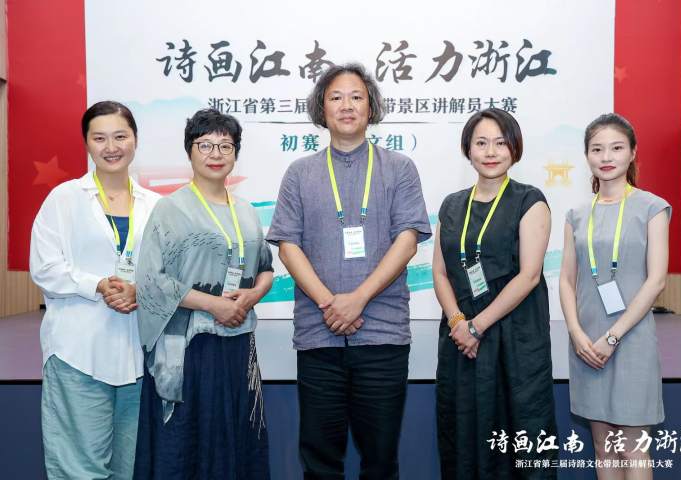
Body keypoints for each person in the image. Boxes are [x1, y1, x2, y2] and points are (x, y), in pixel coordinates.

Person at [266, 63, 431, 480]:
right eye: (336, 97)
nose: (346, 105)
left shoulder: (400, 168)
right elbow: (288, 246)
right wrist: (330, 303)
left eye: (356, 96)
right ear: (321, 108)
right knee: (320, 460)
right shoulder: (300, 173)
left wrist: (357, 299)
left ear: (370, 107)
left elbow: (407, 240)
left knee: (381, 460)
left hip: (382, 334)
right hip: (318, 335)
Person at [133, 109, 273, 479]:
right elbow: (151, 280)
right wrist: (212, 304)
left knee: (237, 440)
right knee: (186, 445)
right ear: (190, 151)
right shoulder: (170, 209)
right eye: (205, 145)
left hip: (237, 345)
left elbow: (266, 268)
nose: (216, 154)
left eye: (225, 146)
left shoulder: (246, 211)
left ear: (236, 153)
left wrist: (252, 296)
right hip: (189, 349)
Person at [29, 101, 161, 479]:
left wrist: (140, 290)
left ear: (135, 139)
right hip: (78, 353)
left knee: (131, 468)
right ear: (86, 143)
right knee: (79, 470)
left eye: (120, 136)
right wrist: (98, 284)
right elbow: (45, 268)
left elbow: (168, 271)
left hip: (138, 356)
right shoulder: (64, 199)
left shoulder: (156, 205)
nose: (111, 147)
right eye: (99, 138)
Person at [433, 108, 558, 479]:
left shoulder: (529, 200)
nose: (491, 152)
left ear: (514, 148)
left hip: (515, 338)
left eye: (501, 143)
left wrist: (477, 326)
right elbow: (440, 272)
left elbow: (529, 276)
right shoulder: (451, 205)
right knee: (463, 432)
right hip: (461, 340)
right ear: (468, 149)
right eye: (481, 143)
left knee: (522, 433)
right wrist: (459, 322)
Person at [560, 113, 670, 480]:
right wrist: (576, 334)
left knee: (632, 447)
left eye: (617, 148)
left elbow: (656, 281)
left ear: (633, 153)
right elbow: (566, 280)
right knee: (603, 445)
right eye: (597, 149)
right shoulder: (577, 215)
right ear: (587, 156)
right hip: (587, 344)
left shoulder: (652, 207)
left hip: (631, 339)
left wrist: (612, 337)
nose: (606, 156)